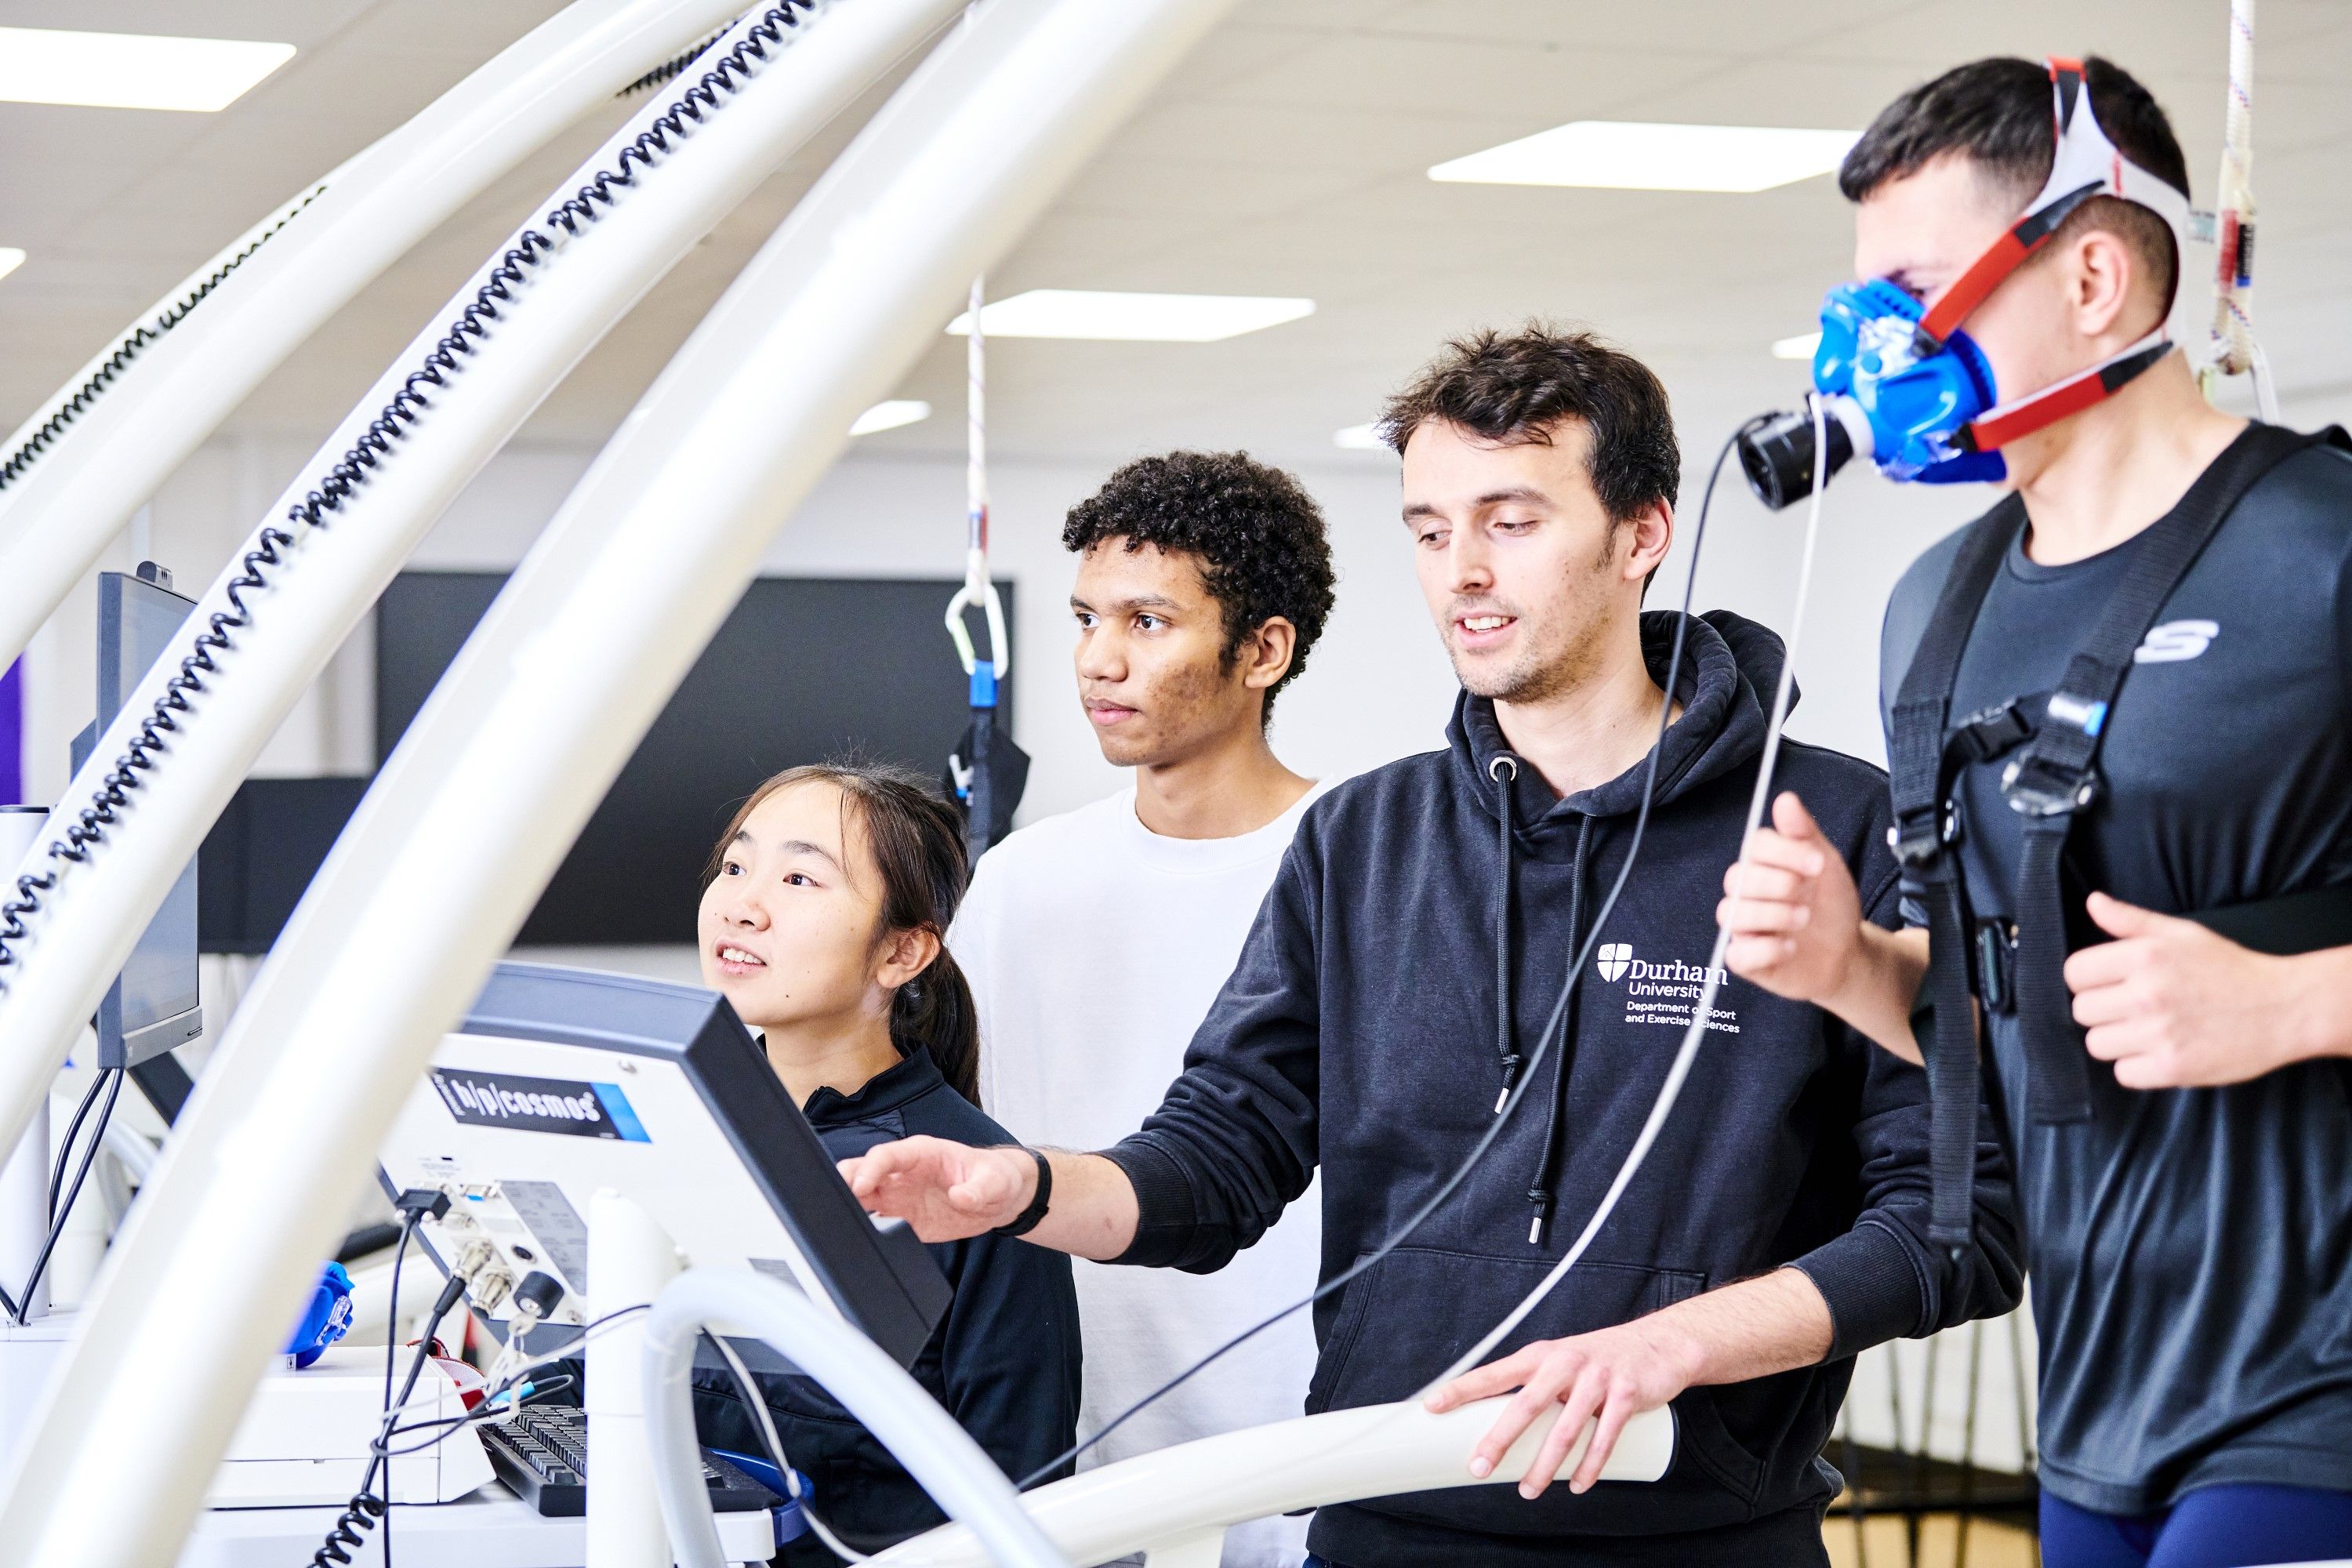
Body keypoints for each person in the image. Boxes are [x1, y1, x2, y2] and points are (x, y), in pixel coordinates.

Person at [842, 327, 2021, 1567]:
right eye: (1427, 528)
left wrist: (1673, 1346)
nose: (1461, 570)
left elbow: (1960, 1228)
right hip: (1384, 1515)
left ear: (1641, 535)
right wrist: (1024, 1187)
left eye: (1510, 522)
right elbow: (1223, 1157)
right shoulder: (1365, 837)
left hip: (1697, 1525)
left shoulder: (1834, 832)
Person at [1717, 56, 2352, 1568]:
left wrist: (2297, 999)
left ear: (2087, 275)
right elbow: (2005, 1007)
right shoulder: (1934, 611)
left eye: (1916, 287)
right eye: (1861, 298)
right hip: (2102, 1397)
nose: (1869, 344)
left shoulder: (2324, 557)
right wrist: (1853, 969)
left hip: (2322, 1383)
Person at [950, 452, 1338, 1568]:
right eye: (1086, 617)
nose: (1097, 660)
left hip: (1304, 1451)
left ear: (1263, 650)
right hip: (1076, 1445)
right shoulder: (1022, 880)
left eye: (1149, 621)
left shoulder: (1357, 864)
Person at [691, 762, 1082, 1564]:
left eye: (800, 876)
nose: (742, 904)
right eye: (736, 865)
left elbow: (1024, 1495)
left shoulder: (975, 1184)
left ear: (902, 949)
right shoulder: (681, 1131)